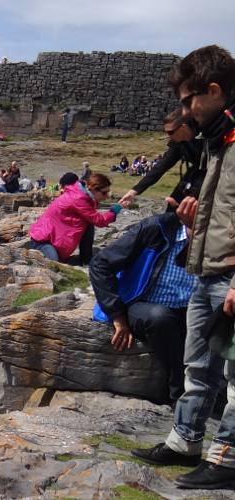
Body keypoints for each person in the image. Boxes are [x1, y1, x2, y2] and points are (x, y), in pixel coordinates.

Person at [130, 44, 235, 490]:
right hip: (206, 270)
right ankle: (185, 440)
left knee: (233, 376)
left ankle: (228, 459)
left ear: (213, 91)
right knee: (198, 366)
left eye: (190, 100)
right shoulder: (218, 140)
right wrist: (194, 225)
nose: (186, 110)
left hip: (229, 275)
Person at [89, 212, 195, 405]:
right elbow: (100, 264)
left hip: (188, 309)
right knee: (160, 318)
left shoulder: (218, 242)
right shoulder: (156, 229)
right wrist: (117, 315)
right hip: (140, 303)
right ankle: (178, 394)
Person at [119, 110, 203, 209]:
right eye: (166, 132)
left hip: (213, 174)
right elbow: (161, 167)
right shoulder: (179, 144)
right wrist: (134, 191)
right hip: (194, 172)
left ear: (183, 127)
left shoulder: (208, 135)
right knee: (174, 203)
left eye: (171, 132)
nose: (168, 135)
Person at [29, 173, 119, 262]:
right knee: (53, 265)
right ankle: (85, 259)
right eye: (104, 193)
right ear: (93, 189)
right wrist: (115, 210)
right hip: (43, 242)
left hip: (52, 241)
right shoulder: (78, 198)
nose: (107, 196)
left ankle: (86, 259)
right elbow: (100, 221)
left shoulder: (81, 194)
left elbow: (93, 218)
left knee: (88, 223)